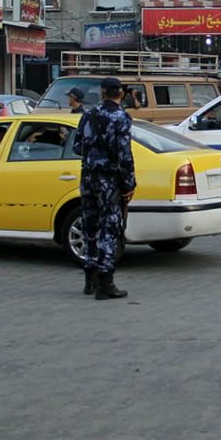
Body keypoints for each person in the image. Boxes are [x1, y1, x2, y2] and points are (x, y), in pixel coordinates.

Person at [72, 77, 136, 300]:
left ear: (102, 93)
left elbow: (77, 146)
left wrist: (94, 153)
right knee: (109, 229)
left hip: (87, 178)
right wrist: (129, 183)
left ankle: (89, 279)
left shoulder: (88, 115)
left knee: (90, 227)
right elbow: (124, 155)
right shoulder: (120, 118)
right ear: (120, 93)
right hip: (108, 181)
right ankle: (105, 283)